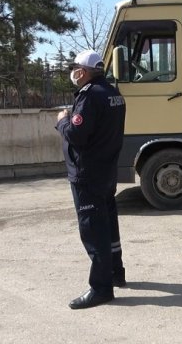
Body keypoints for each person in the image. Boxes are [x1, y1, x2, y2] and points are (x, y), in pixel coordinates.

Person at [55, 49, 127, 309]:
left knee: (93, 230)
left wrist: (62, 121)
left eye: (76, 68)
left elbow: (77, 134)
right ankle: (116, 272)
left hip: (87, 174)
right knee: (108, 225)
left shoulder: (89, 97)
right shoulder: (114, 94)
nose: (74, 73)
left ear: (84, 71)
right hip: (106, 171)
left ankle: (101, 288)